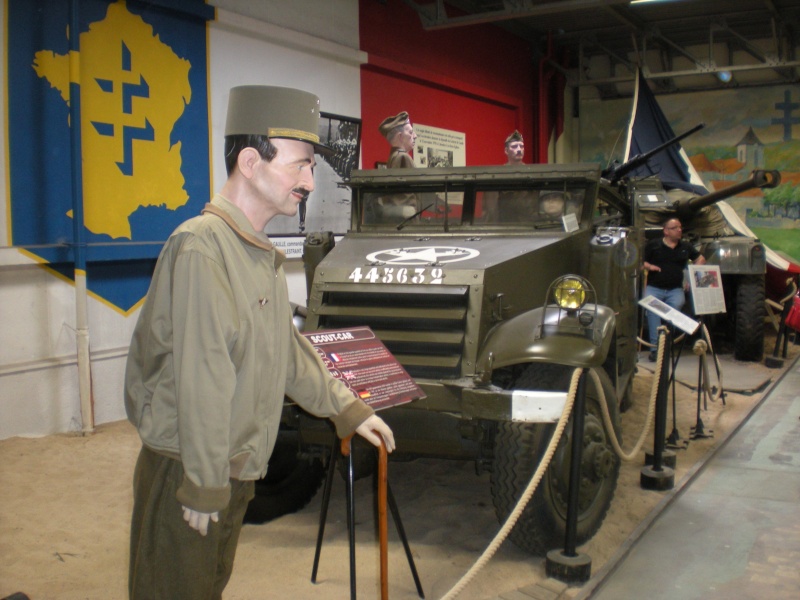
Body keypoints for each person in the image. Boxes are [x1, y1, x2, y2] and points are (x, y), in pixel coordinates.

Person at [125, 85, 395, 600]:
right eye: (300, 165)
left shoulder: (256, 254)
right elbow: (202, 376)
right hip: (188, 466)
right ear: (250, 161)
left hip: (231, 468)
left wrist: (349, 411)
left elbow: (287, 354)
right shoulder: (202, 249)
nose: (309, 182)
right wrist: (204, 484)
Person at [642, 217, 706, 361]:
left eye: (680, 227)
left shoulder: (685, 246)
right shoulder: (654, 245)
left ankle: (665, 345)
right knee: (653, 311)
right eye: (675, 227)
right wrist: (649, 266)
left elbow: (700, 258)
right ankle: (654, 349)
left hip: (675, 289)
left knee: (674, 310)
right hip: (655, 287)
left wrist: (691, 275)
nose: (679, 230)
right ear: (666, 231)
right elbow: (641, 261)